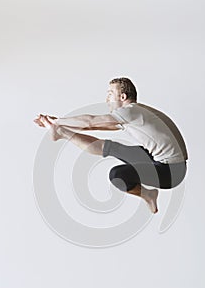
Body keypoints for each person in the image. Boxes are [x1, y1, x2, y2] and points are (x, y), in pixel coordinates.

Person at [34, 77, 188, 214]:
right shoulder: (134, 114)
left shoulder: (130, 111)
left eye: (110, 94)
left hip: (171, 172)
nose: (107, 99)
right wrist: (58, 124)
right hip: (163, 161)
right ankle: (61, 133)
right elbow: (90, 126)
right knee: (111, 148)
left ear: (122, 97)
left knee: (117, 175)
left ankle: (147, 195)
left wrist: (57, 121)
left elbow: (90, 121)